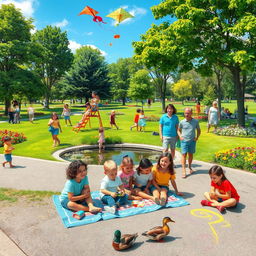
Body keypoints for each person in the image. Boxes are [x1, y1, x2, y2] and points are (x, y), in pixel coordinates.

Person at [178, 107, 201, 178]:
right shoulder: (182, 122)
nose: (186, 114)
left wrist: (197, 137)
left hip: (192, 141)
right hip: (184, 141)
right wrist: (180, 136)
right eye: (185, 113)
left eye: (188, 113)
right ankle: (183, 170)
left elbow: (199, 130)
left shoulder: (195, 121)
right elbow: (178, 130)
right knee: (184, 155)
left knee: (190, 154)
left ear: (191, 113)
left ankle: (190, 167)